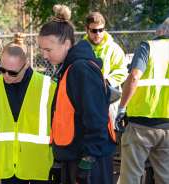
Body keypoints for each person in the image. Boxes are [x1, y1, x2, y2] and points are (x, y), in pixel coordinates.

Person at [38, 5, 116, 184]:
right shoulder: (69, 68)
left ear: (66, 44)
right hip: (75, 157)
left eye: (48, 50)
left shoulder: (81, 69)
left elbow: (96, 117)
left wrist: (87, 161)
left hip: (89, 161)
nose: (44, 55)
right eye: (41, 49)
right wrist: (59, 161)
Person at [0, 33, 56, 184]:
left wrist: (58, 161)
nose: (6, 76)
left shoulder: (47, 86)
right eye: (2, 69)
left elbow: (57, 125)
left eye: (12, 72)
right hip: (7, 168)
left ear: (26, 65)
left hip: (39, 168)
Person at [116, 17, 169, 184]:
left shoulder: (148, 47)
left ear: (162, 31)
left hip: (140, 125)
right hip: (167, 126)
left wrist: (122, 108)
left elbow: (134, 77)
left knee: (131, 177)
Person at [84, 12, 128, 122]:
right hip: (88, 100)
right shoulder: (81, 48)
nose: (98, 34)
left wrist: (107, 81)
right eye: (94, 30)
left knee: (113, 135)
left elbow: (122, 71)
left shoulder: (114, 49)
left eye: (101, 30)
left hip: (110, 100)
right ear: (87, 30)